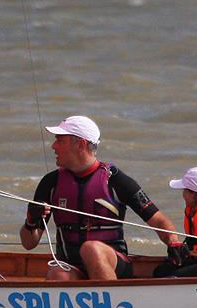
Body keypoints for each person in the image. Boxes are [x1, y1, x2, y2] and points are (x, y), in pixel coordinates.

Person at [20, 115, 181, 281]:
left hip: (114, 264)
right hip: (73, 267)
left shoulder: (116, 180)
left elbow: (160, 222)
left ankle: (113, 300)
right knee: (57, 274)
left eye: (60, 140)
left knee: (91, 249)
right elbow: (28, 243)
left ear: (80, 144)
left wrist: (173, 242)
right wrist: (31, 221)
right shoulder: (50, 182)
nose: (53, 146)